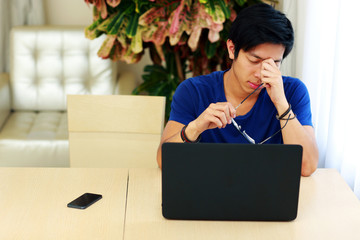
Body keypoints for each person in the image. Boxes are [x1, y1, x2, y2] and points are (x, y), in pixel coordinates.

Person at [156, 3, 318, 176]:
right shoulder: (193, 91)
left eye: (273, 63)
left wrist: (281, 104)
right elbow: (164, 161)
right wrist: (195, 128)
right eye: (254, 60)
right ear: (232, 49)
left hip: (269, 197)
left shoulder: (292, 92)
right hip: (208, 194)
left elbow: (306, 167)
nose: (260, 74)